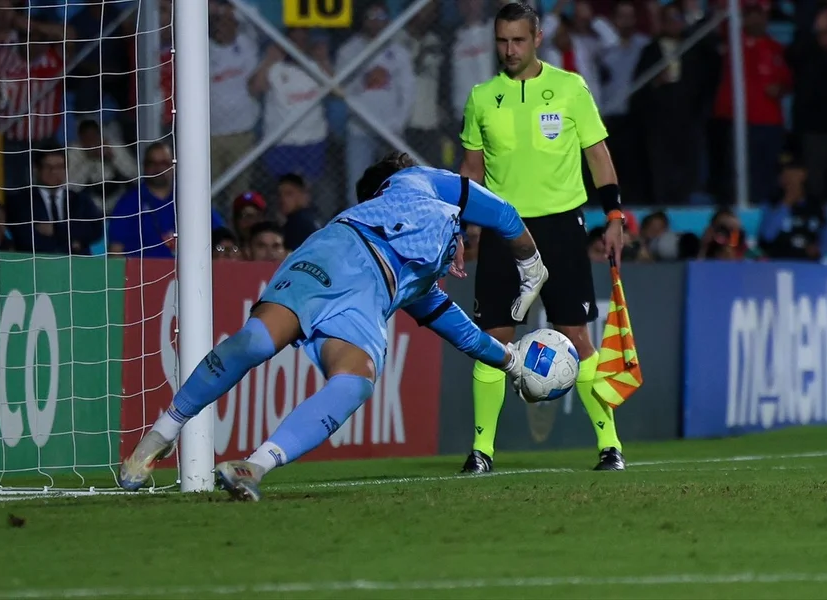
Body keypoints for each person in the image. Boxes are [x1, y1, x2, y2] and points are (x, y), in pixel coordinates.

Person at [119, 153, 549, 500]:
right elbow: (504, 213)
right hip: (341, 250)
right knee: (255, 342)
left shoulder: (418, 284)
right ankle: (162, 433)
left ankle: (254, 466)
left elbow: (464, 333)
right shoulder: (412, 180)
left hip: (371, 293)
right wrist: (531, 266)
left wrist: (513, 364)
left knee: (356, 380)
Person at [459, 2, 626, 473]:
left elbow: (598, 155)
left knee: (577, 335)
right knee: (493, 339)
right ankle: (482, 452)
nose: (508, 50)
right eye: (501, 41)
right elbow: (470, 172)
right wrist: (459, 228)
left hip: (560, 228)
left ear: (536, 39)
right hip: (502, 229)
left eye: (517, 40)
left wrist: (614, 214)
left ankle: (610, 446)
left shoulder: (570, 88)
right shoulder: (480, 97)